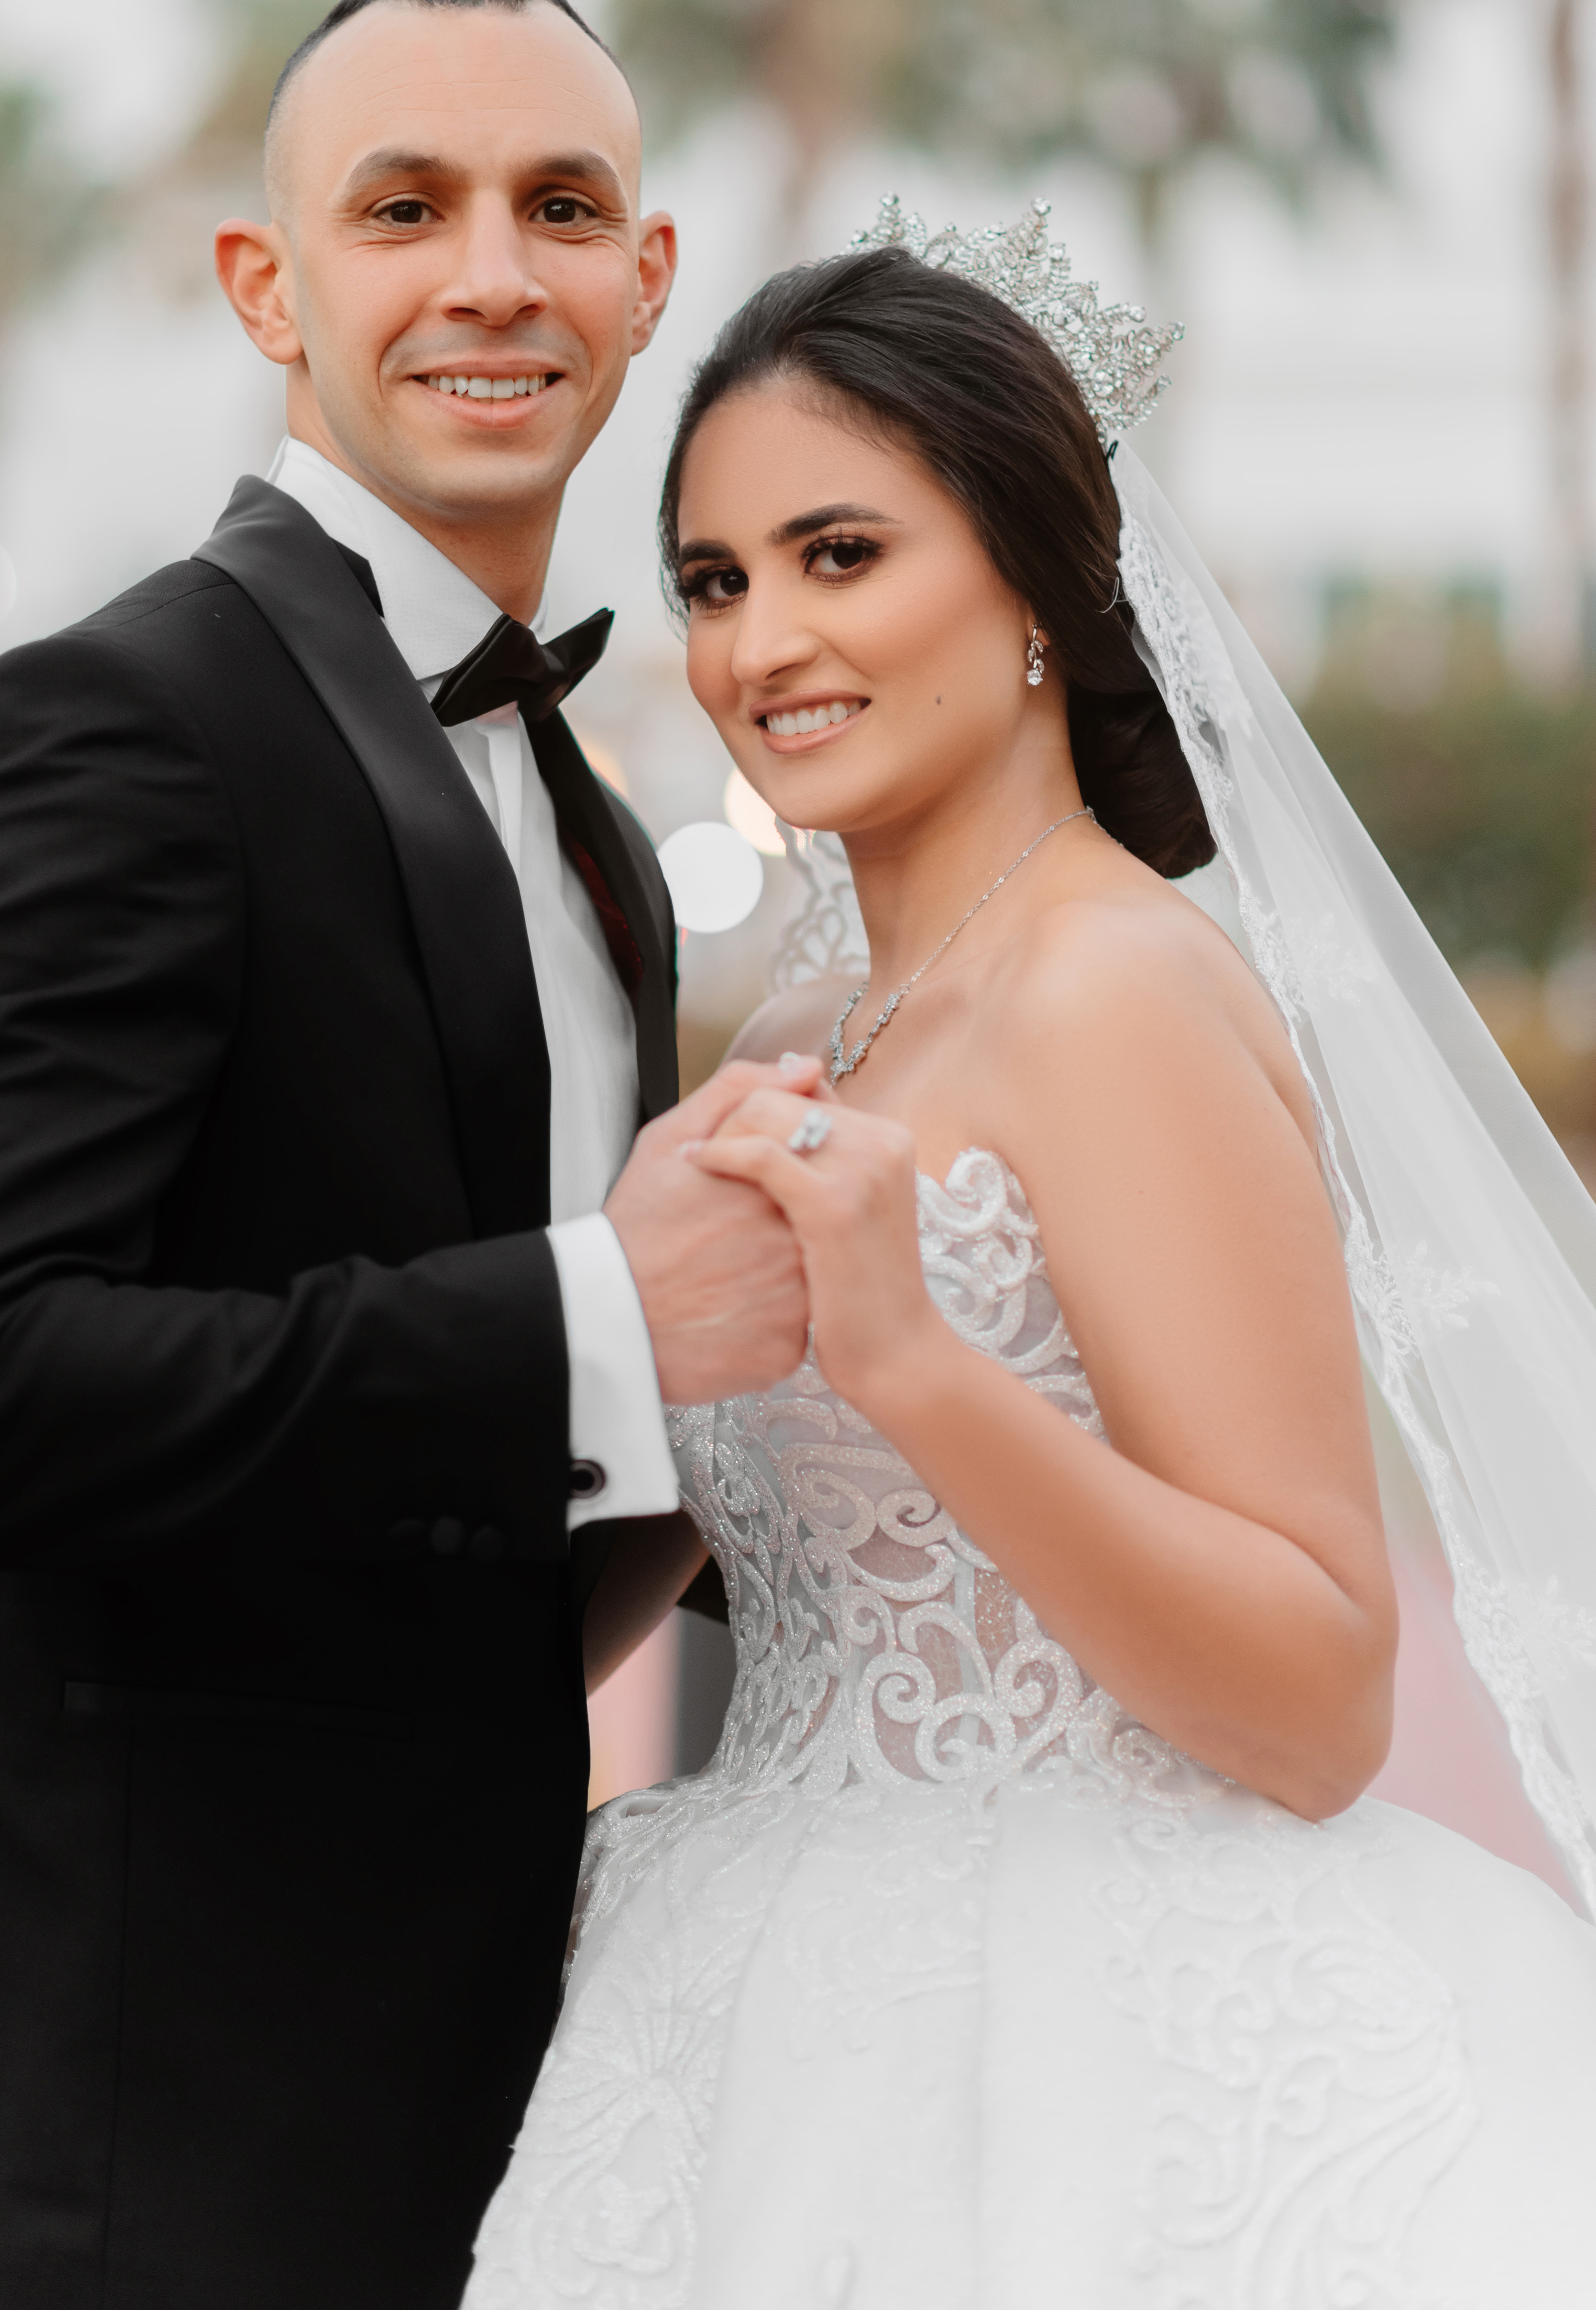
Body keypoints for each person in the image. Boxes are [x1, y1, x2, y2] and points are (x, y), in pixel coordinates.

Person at [0, 0, 811, 2310]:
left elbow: (492, 1477)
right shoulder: (111, 723)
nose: (489, 272)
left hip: (476, 2108)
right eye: (402, 204)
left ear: (648, 281)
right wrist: (597, 1317)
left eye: (562, 205)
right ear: (271, 285)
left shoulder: (604, 847)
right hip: (117, 2157)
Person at [469, 213, 1596, 2307]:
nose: (757, 643)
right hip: (754, 1990)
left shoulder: (1119, 993)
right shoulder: (803, 1034)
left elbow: (1324, 1686)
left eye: (839, 553)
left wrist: (914, 1357)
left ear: (1029, 597)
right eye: (715, 581)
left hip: (1098, 2021)